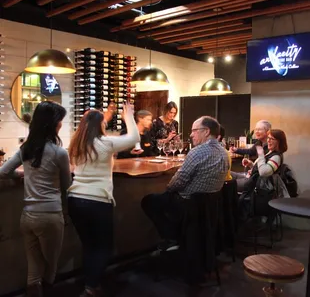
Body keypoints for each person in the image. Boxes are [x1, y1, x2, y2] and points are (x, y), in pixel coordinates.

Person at [67, 103, 139, 297]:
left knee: (89, 245)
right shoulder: (105, 143)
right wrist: (128, 116)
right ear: (100, 126)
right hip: (97, 201)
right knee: (103, 247)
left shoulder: (77, 143)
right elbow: (134, 138)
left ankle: (91, 283)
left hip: (75, 199)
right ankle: (91, 287)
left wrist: (101, 117)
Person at [0, 101, 71, 297]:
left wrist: (21, 175)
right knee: (50, 267)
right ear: (52, 124)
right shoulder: (59, 152)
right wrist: (67, 213)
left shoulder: (26, 148)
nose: (61, 125)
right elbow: (66, 186)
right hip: (50, 216)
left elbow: (3, 172)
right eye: (60, 121)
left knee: (33, 270)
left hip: (28, 216)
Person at [141, 116, 229, 250]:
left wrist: (168, 188)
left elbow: (177, 182)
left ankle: (173, 237)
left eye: (194, 130)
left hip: (188, 205)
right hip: (210, 206)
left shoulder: (197, 152)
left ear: (206, 132)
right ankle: (180, 238)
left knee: (148, 201)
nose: (191, 134)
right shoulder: (224, 152)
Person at [239, 129, 288, 221]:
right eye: (268, 138)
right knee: (231, 179)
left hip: (257, 189)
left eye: (272, 139)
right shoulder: (270, 153)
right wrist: (251, 165)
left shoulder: (276, 157)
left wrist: (261, 155)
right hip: (253, 182)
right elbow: (262, 169)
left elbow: (263, 172)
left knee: (230, 184)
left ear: (279, 142)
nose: (268, 141)